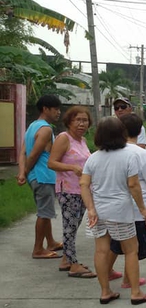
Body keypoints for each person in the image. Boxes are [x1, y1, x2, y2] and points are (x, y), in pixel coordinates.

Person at [80, 117, 146, 305]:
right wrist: (143, 209)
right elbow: (133, 185)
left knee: (101, 251)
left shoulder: (93, 158)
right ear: (122, 133)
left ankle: (105, 291)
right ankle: (135, 292)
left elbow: (84, 184)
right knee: (131, 250)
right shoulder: (129, 156)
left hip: (98, 210)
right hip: (120, 211)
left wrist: (90, 209)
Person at [107, 113, 146, 289]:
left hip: (115, 207)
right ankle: (129, 280)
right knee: (133, 249)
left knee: (115, 244)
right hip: (138, 209)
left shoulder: (111, 151)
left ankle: (106, 272)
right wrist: (145, 203)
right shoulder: (142, 154)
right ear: (140, 130)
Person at [47, 106, 96, 278]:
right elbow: (51, 163)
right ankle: (74, 265)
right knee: (69, 227)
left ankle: (66, 260)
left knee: (74, 227)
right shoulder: (63, 138)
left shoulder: (81, 140)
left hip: (81, 190)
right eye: (78, 120)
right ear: (69, 122)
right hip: (68, 190)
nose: (82, 124)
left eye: (85, 120)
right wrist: (71, 167)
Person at [16, 94, 63, 259]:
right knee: (44, 213)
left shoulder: (32, 127)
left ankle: (50, 242)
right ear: (45, 109)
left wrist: (23, 173)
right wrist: (26, 171)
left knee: (46, 211)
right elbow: (34, 154)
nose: (58, 112)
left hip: (36, 177)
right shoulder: (46, 129)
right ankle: (38, 249)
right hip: (43, 176)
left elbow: (22, 152)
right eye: (55, 109)